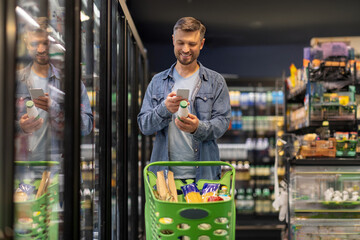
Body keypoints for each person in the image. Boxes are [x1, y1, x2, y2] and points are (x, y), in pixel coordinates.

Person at [137, 17, 231, 181]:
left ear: (201, 44)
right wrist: (164, 109)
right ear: (173, 40)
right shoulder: (158, 82)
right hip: (164, 180)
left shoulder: (216, 82)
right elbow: (144, 126)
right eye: (180, 42)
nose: (185, 49)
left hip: (204, 177)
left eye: (192, 44)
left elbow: (222, 123)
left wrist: (197, 128)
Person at [15, 19, 93, 162]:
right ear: (27, 44)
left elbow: (86, 126)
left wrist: (57, 109)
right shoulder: (15, 82)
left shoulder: (71, 83)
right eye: (34, 44)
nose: (41, 49)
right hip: (25, 168)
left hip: (62, 168)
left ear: (51, 43)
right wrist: (19, 126)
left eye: (45, 43)